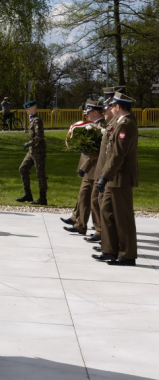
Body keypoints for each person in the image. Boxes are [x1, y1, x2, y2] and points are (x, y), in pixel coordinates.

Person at [94, 91, 138, 266]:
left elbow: (118, 155)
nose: (111, 108)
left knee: (123, 217)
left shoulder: (125, 125)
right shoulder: (118, 123)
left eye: (112, 105)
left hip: (120, 178)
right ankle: (109, 250)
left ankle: (127, 254)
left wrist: (104, 176)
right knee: (107, 213)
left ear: (118, 107)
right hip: (113, 177)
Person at [63, 100, 105, 235]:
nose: (86, 116)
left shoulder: (101, 127)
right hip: (88, 170)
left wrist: (84, 166)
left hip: (94, 169)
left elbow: (97, 152)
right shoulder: (92, 125)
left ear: (95, 112)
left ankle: (99, 230)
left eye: (88, 113)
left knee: (94, 201)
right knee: (83, 197)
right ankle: (80, 225)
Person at [16, 100, 47, 205]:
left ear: (34, 108)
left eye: (28, 108)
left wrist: (29, 143)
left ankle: (43, 198)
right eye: (26, 109)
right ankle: (27, 194)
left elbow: (39, 136)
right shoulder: (32, 120)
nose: (27, 111)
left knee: (40, 174)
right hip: (32, 151)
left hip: (39, 151)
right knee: (23, 169)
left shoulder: (37, 120)